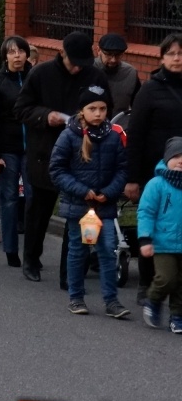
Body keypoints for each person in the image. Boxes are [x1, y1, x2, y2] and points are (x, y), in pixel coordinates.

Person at [14, 31, 110, 282]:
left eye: (83, 63)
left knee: (77, 214)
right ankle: (31, 260)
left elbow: (105, 108)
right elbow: (22, 109)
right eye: (73, 62)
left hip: (83, 156)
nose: (78, 68)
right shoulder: (41, 73)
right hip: (45, 152)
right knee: (39, 212)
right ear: (62, 54)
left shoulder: (94, 75)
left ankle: (70, 272)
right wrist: (46, 116)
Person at [49, 85, 129, 318]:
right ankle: (76, 297)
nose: (98, 113)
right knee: (78, 251)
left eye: (103, 108)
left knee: (107, 251)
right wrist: (83, 191)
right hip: (80, 206)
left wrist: (110, 191)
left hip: (104, 205)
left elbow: (122, 170)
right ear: (82, 110)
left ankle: (111, 301)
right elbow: (57, 170)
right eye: (92, 108)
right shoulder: (69, 136)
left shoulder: (114, 137)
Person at [125, 33, 182, 305]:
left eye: (181, 53)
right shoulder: (150, 90)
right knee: (153, 224)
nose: (177, 58)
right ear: (161, 57)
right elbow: (135, 135)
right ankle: (146, 281)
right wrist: (133, 178)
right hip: (154, 173)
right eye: (171, 53)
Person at [0, 35, 33, 265]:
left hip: (33, 149)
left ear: (26, 54)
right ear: (5, 56)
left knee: (34, 199)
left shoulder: (36, 78)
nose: (17, 56)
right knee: (10, 199)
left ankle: (33, 251)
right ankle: (11, 250)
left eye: (20, 51)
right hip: (8, 149)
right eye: (12, 52)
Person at [139, 137, 182, 332]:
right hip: (163, 241)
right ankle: (153, 300)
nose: (180, 160)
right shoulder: (157, 184)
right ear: (167, 158)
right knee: (167, 278)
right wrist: (145, 238)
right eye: (176, 156)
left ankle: (177, 315)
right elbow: (146, 212)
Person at [94, 33, 141, 116]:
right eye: (108, 54)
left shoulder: (131, 73)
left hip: (119, 125)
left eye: (118, 55)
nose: (113, 60)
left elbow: (138, 105)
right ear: (98, 51)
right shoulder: (88, 70)